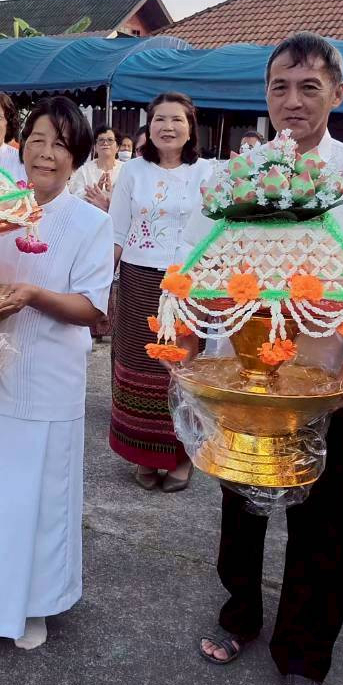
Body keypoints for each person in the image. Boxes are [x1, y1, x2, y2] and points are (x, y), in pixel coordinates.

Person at [195, 33, 343, 685]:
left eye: (309, 87)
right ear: (266, 94)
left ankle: (305, 655)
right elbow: (208, 268)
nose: (293, 101)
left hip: (328, 383)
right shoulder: (238, 174)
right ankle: (240, 616)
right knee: (241, 504)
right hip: (248, 375)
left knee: (321, 517)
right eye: (281, 87)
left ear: (338, 95)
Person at [0, 96, 113, 650]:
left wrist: (35, 296)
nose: (46, 153)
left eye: (61, 144)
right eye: (37, 139)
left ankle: (35, 603)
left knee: (37, 500)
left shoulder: (90, 223)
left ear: (77, 156)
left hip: (44, 376)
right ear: (22, 145)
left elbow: (93, 309)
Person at [107, 92, 212, 492]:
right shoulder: (133, 172)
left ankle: (182, 454)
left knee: (182, 370)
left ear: (190, 128)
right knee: (140, 366)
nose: (168, 127)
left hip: (188, 285)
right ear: (148, 128)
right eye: (159, 120)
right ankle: (143, 454)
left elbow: (217, 233)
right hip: (139, 279)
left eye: (177, 120)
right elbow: (118, 231)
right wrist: (102, 286)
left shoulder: (208, 173)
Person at [69, 124, 121, 212]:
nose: (105, 143)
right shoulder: (84, 170)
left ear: (117, 148)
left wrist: (113, 192)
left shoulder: (126, 169)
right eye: (101, 140)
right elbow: (75, 197)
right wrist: (93, 192)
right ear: (95, 147)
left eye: (110, 140)